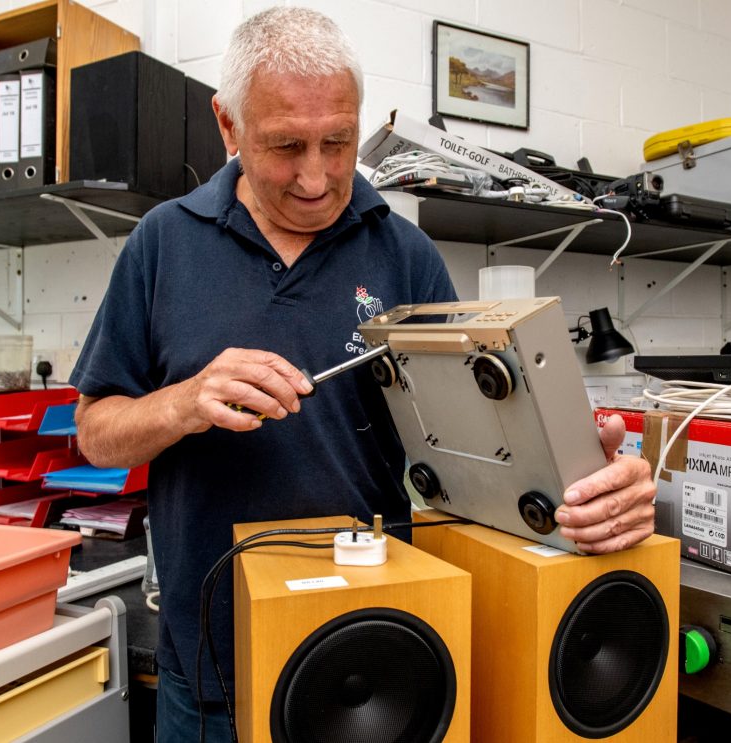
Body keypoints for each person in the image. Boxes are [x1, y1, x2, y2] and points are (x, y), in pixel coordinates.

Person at [70, 8, 656, 741]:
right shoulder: (162, 243)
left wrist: (589, 486)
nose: (317, 178)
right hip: (209, 670)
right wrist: (183, 403)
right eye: (286, 146)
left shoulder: (405, 255)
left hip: (381, 667)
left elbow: (482, 461)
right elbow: (95, 433)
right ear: (228, 126)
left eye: (339, 142)